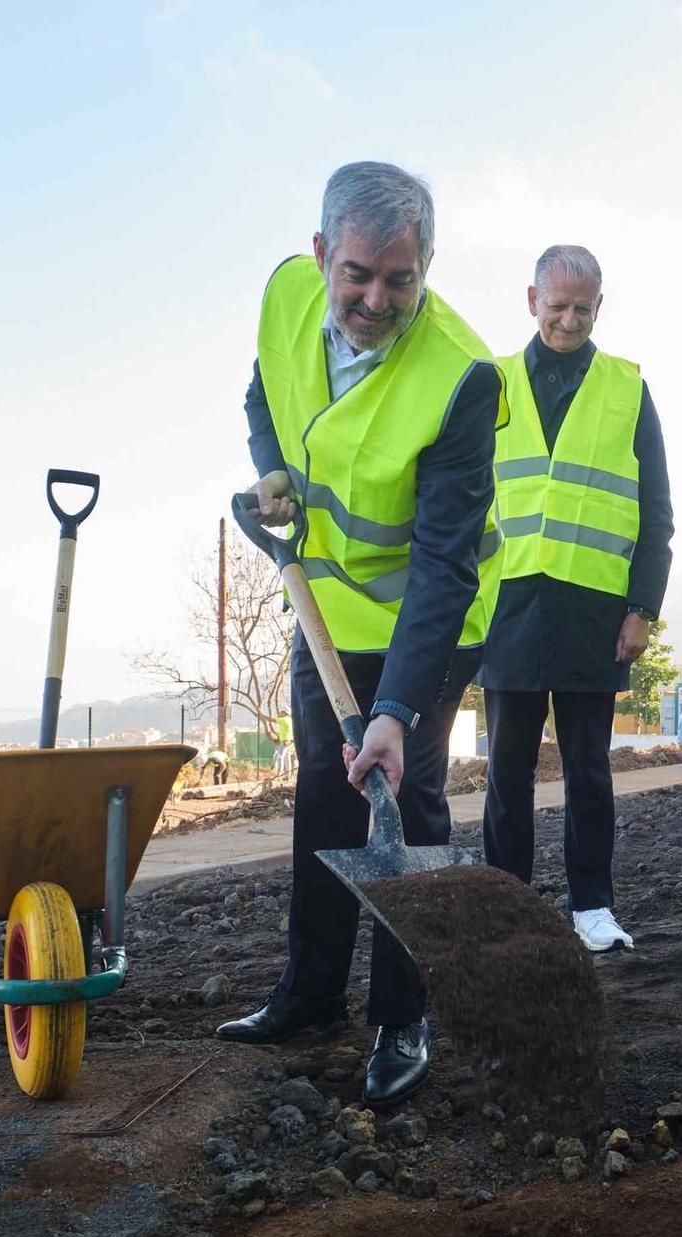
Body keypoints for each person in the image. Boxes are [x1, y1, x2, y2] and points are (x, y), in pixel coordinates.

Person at [216, 161, 506, 1112]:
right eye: (358, 275)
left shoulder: (460, 378)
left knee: (406, 793)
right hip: (327, 609)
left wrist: (393, 710)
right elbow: (263, 395)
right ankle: (307, 995)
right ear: (321, 256)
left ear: (428, 267)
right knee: (325, 793)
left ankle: (402, 1014)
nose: (376, 299)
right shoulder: (289, 298)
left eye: (401, 279)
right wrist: (271, 472)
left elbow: (443, 565)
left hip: (433, 619)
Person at [478, 245, 674, 953]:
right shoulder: (490, 383)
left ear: (599, 307)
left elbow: (656, 510)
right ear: (532, 300)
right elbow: (462, 497)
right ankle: (508, 906)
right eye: (555, 306)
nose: (567, 320)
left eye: (581, 308)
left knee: (589, 770)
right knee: (507, 772)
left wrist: (642, 607)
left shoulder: (627, 388)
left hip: (596, 614)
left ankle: (592, 906)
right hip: (508, 612)